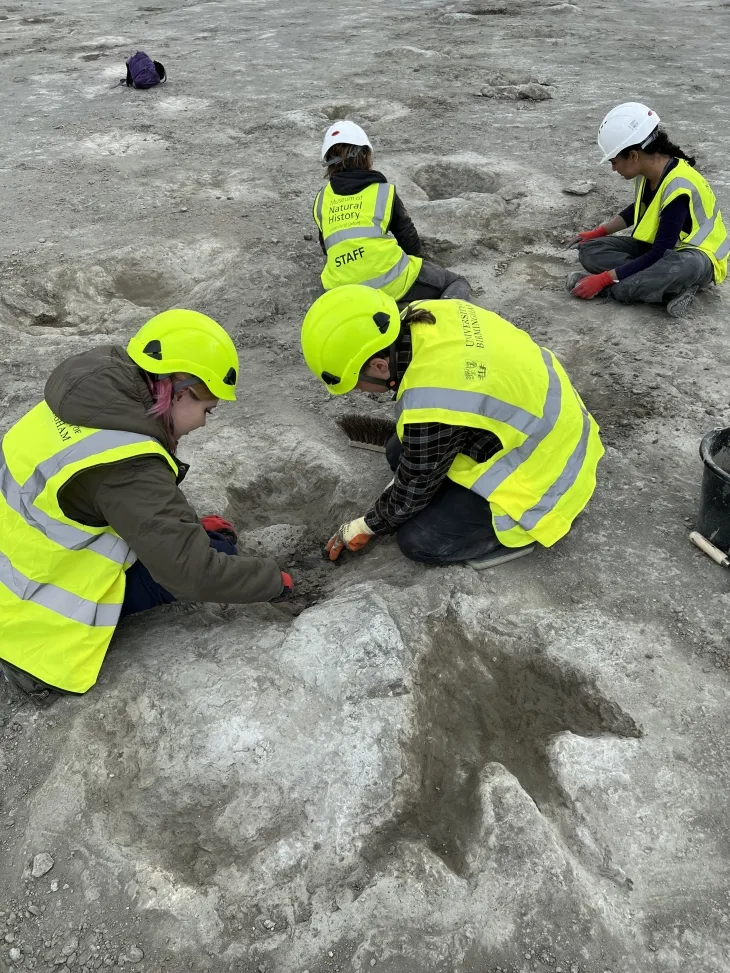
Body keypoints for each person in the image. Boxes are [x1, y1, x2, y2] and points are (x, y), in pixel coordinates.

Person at [0, 309, 292, 704]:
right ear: (181, 391)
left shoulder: (89, 397)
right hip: (34, 616)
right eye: (208, 409)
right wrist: (271, 580)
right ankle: (31, 662)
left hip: (21, 560)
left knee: (202, 540)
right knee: (218, 553)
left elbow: (127, 502)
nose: (204, 423)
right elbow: (191, 574)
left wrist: (188, 525)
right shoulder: (127, 464)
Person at [300, 285, 604, 568]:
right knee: (398, 451)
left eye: (357, 383)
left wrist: (366, 525)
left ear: (380, 366)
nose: (359, 392)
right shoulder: (427, 314)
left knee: (419, 541)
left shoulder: (433, 400)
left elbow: (413, 489)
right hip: (543, 420)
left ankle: (513, 538)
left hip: (547, 471)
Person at [567, 102, 728, 317]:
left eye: (614, 161)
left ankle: (633, 286)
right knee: (589, 251)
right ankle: (657, 285)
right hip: (657, 251)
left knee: (633, 284)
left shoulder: (679, 186)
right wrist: (598, 233)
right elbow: (638, 209)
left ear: (633, 155)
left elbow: (661, 252)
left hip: (695, 258)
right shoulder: (648, 173)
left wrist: (605, 279)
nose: (613, 168)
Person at [313, 120, 470, 304]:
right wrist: (417, 266)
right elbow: (408, 239)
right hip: (390, 282)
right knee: (457, 282)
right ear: (366, 155)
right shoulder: (383, 192)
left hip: (341, 291)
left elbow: (328, 247)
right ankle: (441, 319)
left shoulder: (322, 199)